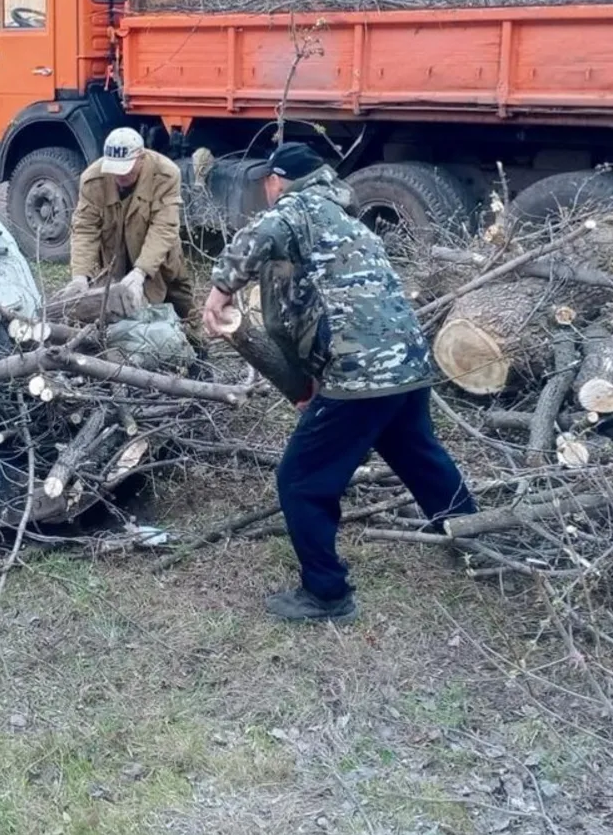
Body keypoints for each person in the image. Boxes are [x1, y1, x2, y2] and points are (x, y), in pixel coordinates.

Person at [202, 142, 478, 623]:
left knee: (301, 480)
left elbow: (260, 234)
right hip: (408, 364)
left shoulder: (298, 208)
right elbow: (311, 310)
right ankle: (475, 539)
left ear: (276, 180)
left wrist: (220, 290)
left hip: (363, 374)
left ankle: (326, 594)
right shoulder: (343, 216)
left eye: (268, 183)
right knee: (418, 454)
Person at [62, 127, 196, 322]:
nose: (119, 177)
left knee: (182, 306)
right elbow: (85, 229)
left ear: (141, 159)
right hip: (113, 256)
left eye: (125, 170)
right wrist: (80, 275)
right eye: (114, 170)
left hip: (158, 259)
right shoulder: (92, 180)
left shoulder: (166, 174)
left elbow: (164, 227)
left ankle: (197, 347)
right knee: (112, 315)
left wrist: (141, 272)